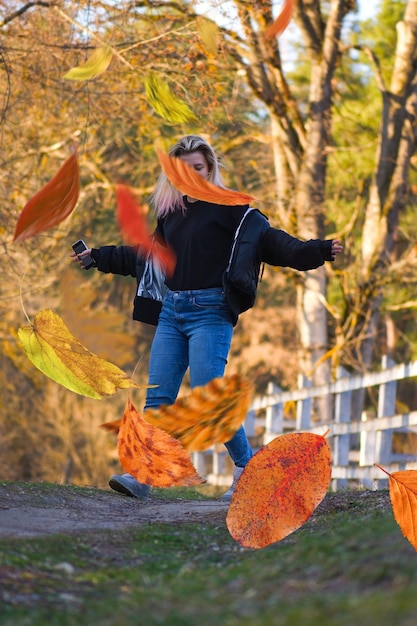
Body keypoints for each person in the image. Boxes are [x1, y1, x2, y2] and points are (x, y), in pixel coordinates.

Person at [72, 134, 343, 502]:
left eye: (198, 168)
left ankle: (247, 467)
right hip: (172, 312)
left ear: (210, 168)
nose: (191, 175)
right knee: (158, 399)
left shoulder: (233, 210)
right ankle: (143, 478)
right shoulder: (171, 215)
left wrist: (319, 250)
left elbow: (276, 243)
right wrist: (97, 257)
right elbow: (144, 257)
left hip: (210, 313)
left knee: (208, 393)